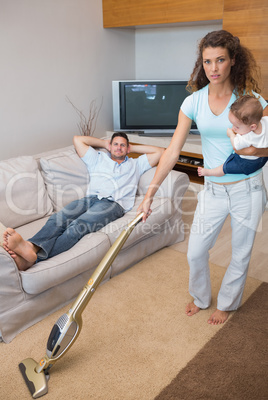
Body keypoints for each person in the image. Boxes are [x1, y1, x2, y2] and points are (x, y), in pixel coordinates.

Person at [138, 30, 268, 325]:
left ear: (233, 60)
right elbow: (172, 151)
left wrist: (246, 149)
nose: (214, 68)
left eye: (220, 60)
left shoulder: (252, 102)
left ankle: (227, 302)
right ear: (202, 64)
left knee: (240, 252)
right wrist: (150, 195)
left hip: (247, 189)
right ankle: (201, 296)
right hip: (213, 190)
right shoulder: (193, 102)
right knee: (196, 252)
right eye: (207, 61)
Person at [3, 133, 164, 271]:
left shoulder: (135, 164)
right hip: (90, 199)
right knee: (58, 218)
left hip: (113, 204)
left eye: (123, 145)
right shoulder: (98, 158)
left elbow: (160, 152)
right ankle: (31, 247)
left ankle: (34, 259)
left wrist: (132, 148)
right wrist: (105, 144)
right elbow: (77, 139)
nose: (119, 148)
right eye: (115, 144)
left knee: (77, 227)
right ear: (110, 145)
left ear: (127, 148)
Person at [198, 95, 268, 177]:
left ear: (252, 127)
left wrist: (231, 134)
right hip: (263, 158)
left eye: (237, 127)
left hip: (248, 163)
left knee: (226, 167)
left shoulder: (247, 137)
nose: (233, 128)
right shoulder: (265, 120)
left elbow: (236, 146)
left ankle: (209, 172)